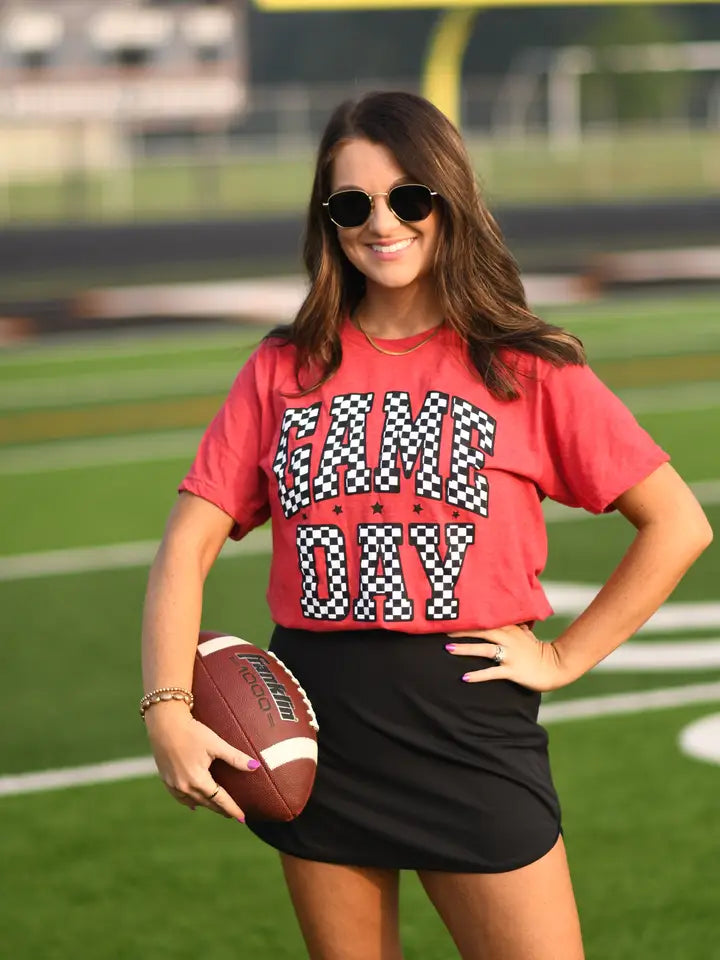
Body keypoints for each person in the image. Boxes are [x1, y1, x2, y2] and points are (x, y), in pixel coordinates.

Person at [141, 91, 713, 960]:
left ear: (449, 199)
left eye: (409, 197)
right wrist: (167, 711)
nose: (383, 223)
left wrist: (564, 656)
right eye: (352, 204)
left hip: (468, 729)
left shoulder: (527, 366)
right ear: (327, 221)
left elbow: (677, 523)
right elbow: (186, 546)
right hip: (317, 731)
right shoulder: (283, 367)